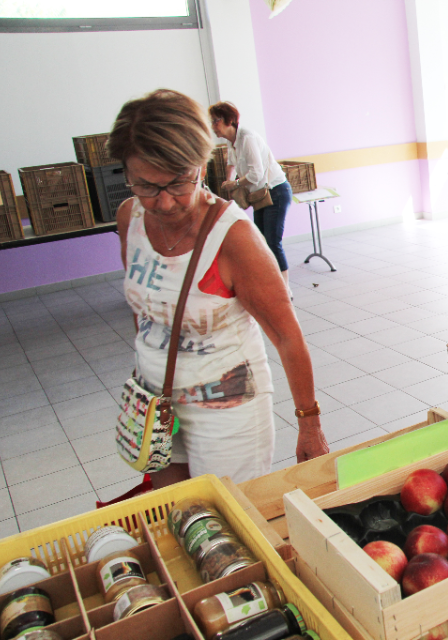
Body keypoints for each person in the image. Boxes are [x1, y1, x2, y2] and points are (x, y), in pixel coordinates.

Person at [111, 89, 328, 488]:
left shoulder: (233, 239)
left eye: (179, 183)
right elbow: (145, 312)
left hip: (228, 413)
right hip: (158, 405)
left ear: (200, 164)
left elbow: (286, 335)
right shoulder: (131, 217)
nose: (162, 203)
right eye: (145, 185)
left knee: (230, 522)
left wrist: (309, 424)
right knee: (176, 513)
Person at [208, 102, 293, 296]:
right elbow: (231, 163)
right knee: (260, 241)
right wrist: (228, 182)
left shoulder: (247, 138)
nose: (213, 126)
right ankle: (269, 282)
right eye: (212, 121)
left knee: (272, 241)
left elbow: (256, 174)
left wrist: (235, 184)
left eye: (216, 121)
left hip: (275, 191)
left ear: (229, 120)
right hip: (260, 193)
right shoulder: (232, 141)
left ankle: (285, 288)